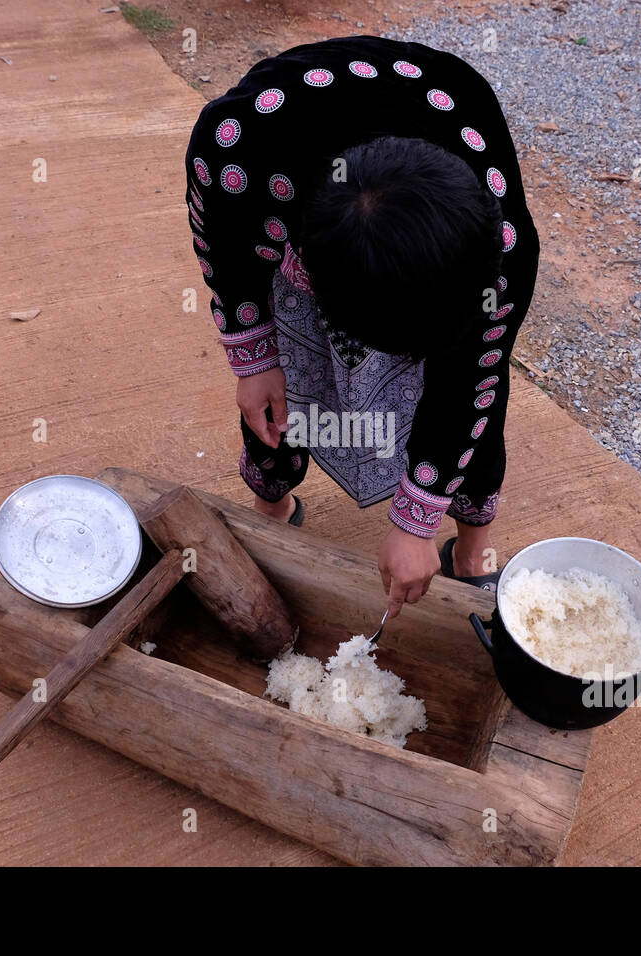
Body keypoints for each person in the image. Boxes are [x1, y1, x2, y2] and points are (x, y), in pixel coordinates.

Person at [184, 35, 539, 618]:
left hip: (434, 211)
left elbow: (469, 380)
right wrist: (251, 354)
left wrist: (416, 522)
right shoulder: (238, 152)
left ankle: (472, 552)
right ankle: (270, 513)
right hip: (307, 196)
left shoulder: (500, 252)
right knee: (279, 396)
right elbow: (221, 243)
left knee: (480, 397)